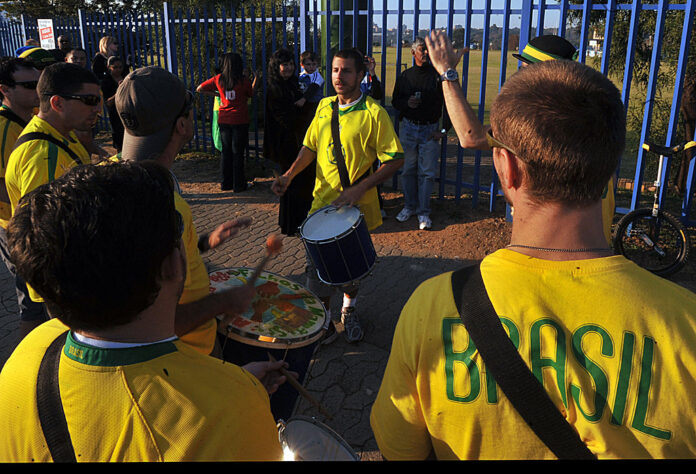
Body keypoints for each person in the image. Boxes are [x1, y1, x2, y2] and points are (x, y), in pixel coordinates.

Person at [370, 32, 696, 460]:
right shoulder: (686, 324)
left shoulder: (431, 308)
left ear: (505, 167)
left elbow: (401, 449)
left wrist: (447, 72)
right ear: (607, 159)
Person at [0, 161, 285, 461]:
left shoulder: (26, 355)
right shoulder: (231, 414)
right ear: (175, 264)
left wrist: (221, 389)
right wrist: (232, 393)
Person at [116, 66, 256, 357]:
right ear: (182, 125)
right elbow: (155, 321)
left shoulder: (111, 175)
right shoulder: (159, 201)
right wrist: (225, 302)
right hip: (183, 356)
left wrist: (201, 243)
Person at [271, 48, 404, 343]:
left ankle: (349, 309)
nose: (338, 77)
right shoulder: (324, 107)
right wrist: (289, 176)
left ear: (360, 75)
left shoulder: (374, 114)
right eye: (334, 70)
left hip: (354, 210)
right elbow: (309, 147)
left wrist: (360, 188)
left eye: (345, 71)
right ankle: (324, 321)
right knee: (316, 270)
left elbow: (395, 159)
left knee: (350, 271)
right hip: (320, 206)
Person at [5, 62, 101, 337]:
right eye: (90, 101)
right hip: (63, 279)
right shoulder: (43, 154)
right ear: (57, 102)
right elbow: (41, 233)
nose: (98, 109)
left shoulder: (61, 137)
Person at [0, 57, 48, 338]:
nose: (38, 92)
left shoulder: (28, 118)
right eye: (30, 86)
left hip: (32, 224)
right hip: (15, 227)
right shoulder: (4, 129)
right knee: (31, 300)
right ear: (5, 89)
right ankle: (30, 358)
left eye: (40, 84)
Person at [392, 37, 450, 230]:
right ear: (413, 52)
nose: (425, 53)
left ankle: (423, 213)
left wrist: (443, 130)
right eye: (421, 50)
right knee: (408, 170)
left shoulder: (437, 76)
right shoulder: (405, 76)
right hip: (408, 128)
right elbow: (395, 101)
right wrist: (406, 103)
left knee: (426, 174)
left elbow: (450, 105)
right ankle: (409, 206)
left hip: (429, 130)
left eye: (427, 50)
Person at [265, 48, 315, 236]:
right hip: (284, 144)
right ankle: (290, 225)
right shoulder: (274, 87)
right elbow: (284, 119)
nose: (288, 68)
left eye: (291, 64)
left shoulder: (294, 83)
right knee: (290, 185)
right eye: (284, 64)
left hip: (298, 141)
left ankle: (300, 221)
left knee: (301, 183)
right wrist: (304, 112)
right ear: (276, 66)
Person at [196, 52, 259, 192]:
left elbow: (199, 88)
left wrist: (217, 94)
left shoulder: (219, 79)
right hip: (240, 120)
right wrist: (256, 79)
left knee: (226, 152)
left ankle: (226, 184)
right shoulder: (243, 81)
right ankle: (239, 185)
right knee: (238, 153)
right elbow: (251, 93)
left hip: (224, 120)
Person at [101, 55, 126, 152]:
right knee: (119, 135)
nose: (118, 70)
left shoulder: (125, 77)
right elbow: (108, 102)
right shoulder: (106, 81)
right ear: (109, 67)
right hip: (115, 113)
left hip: (127, 109)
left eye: (120, 67)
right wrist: (119, 91)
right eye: (115, 67)